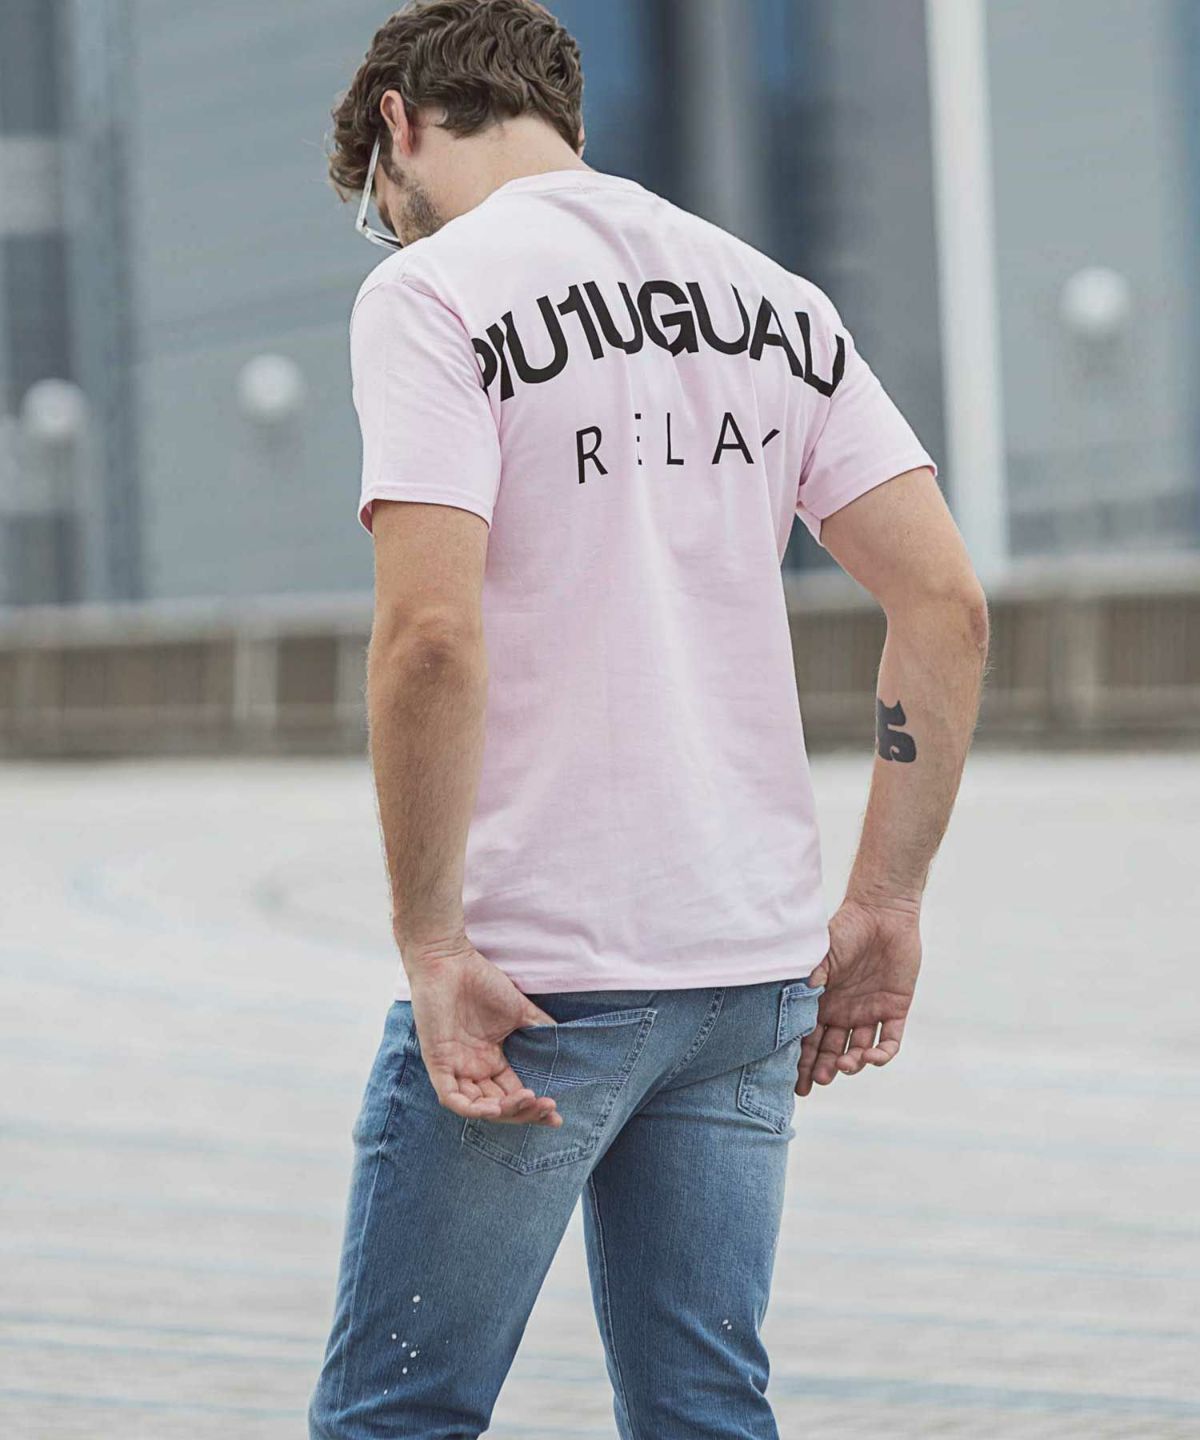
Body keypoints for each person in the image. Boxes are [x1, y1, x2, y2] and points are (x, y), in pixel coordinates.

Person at [309, 2, 989, 1436]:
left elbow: (429, 636)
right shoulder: (771, 298)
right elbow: (943, 602)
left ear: (398, 128)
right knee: (705, 1410)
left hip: (536, 974)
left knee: (398, 1416)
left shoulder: (432, 296)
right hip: (747, 969)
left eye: (381, 208)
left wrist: (432, 943)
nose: (393, 233)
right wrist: (887, 899)